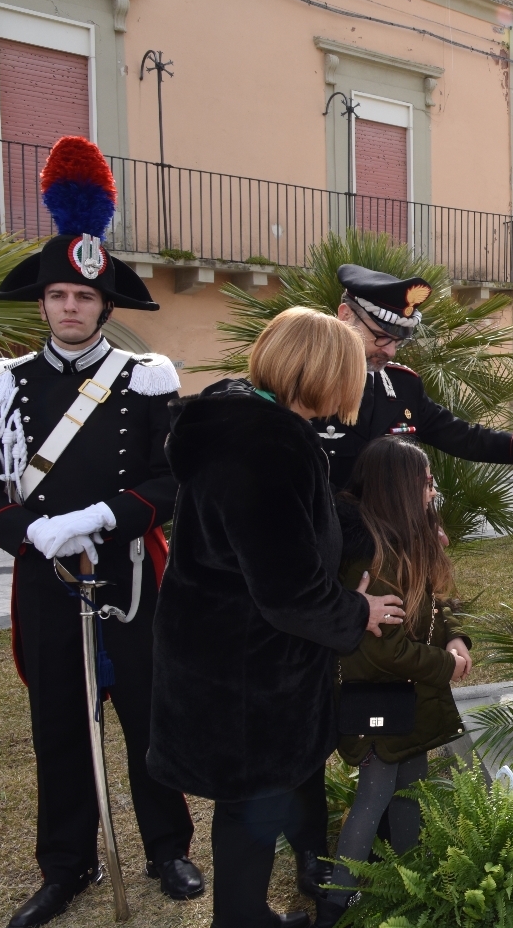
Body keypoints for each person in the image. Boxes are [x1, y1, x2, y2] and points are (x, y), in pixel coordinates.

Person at [0, 136, 200, 928]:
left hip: (132, 577)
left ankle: (168, 846)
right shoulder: (1, 389)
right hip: (47, 581)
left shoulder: (145, 382)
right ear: (40, 302)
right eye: (57, 295)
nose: (70, 306)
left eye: (84, 295)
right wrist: (30, 532)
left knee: (148, 714)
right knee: (60, 727)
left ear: (106, 304)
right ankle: (64, 865)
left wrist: (105, 515)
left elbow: (171, 482)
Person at [149, 308, 407, 928]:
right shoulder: (266, 447)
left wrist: (383, 533)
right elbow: (289, 591)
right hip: (247, 672)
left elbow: (292, 530)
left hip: (222, 654)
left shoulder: (243, 424)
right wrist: (358, 610)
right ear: (321, 374)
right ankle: (241, 918)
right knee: (251, 807)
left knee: (271, 796)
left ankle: (289, 884)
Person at [316, 437, 470, 927]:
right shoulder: (374, 560)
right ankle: (336, 904)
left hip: (410, 699)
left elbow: (433, 607)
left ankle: (412, 883)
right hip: (381, 701)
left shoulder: (404, 540)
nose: (432, 491)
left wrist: (456, 639)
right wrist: (444, 665)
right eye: (426, 483)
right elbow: (386, 650)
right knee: (375, 796)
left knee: (412, 790)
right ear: (401, 489)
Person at [320, 264, 513, 489]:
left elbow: (465, 438)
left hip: (393, 543)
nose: (390, 351)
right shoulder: (301, 384)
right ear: (345, 316)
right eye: (380, 337)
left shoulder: (403, 387)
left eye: (398, 342)